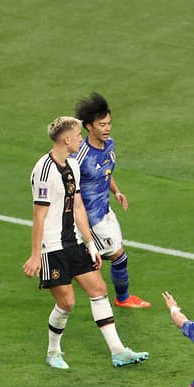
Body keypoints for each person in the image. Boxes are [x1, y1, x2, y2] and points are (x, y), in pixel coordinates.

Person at [22, 116, 148, 369]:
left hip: (74, 242)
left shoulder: (73, 164)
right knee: (66, 302)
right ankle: (53, 352)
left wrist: (90, 244)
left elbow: (78, 206)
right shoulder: (44, 171)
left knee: (99, 290)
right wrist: (36, 255)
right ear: (67, 139)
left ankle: (118, 351)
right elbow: (39, 215)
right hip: (52, 247)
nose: (82, 139)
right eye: (78, 135)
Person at [73, 92, 151, 308]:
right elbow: (67, 185)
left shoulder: (109, 145)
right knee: (118, 256)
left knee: (113, 254)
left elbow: (106, 171)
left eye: (109, 123)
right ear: (88, 126)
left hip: (105, 211)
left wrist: (116, 191)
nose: (107, 128)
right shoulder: (80, 156)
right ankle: (122, 298)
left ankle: (67, 261)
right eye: (102, 124)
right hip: (90, 218)